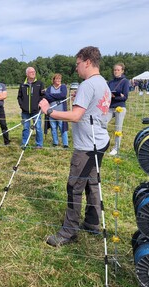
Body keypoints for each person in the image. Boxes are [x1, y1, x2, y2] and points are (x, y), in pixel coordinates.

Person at [39, 46, 111, 247]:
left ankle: (68, 231)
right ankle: (92, 222)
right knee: (92, 182)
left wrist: (48, 112)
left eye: (78, 64)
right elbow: (90, 109)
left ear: (87, 62)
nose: (76, 68)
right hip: (100, 141)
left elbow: (76, 116)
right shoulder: (102, 83)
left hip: (87, 146)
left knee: (74, 186)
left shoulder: (88, 85)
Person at [17, 67, 45, 148]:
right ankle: (24, 143)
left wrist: (39, 106)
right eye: (31, 72)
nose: (33, 73)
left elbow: (43, 96)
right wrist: (22, 106)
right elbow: (19, 97)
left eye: (34, 71)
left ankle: (39, 144)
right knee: (26, 128)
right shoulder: (22, 85)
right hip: (25, 112)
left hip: (36, 111)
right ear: (27, 74)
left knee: (38, 128)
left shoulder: (39, 83)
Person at [106, 63, 129, 156]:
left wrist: (114, 97)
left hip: (120, 107)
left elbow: (125, 97)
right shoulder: (110, 82)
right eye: (115, 70)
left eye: (118, 70)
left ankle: (116, 148)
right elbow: (107, 94)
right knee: (103, 123)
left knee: (118, 128)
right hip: (110, 107)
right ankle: (104, 144)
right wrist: (114, 96)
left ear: (122, 71)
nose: (116, 71)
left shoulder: (125, 81)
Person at [44, 73, 69, 148]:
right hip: (51, 112)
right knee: (53, 127)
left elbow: (63, 95)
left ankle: (65, 144)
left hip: (61, 112)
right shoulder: (49, 88)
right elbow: (47, 97)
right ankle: (55, 142)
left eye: (59, 79)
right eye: (57, 79)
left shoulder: (63, 87)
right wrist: (57, 97)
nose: (58, 80)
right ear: (53, 80)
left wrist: (52, 96)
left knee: (62, 128)